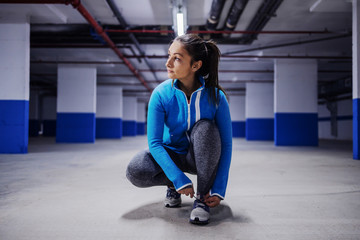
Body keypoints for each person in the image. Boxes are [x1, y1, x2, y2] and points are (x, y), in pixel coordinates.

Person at [126, 34, 232, 225]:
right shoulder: (160, 94)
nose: (168, 63)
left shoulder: (216, 97)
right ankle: (173, 187)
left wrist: (219, 188)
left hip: (200, 158)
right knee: (135, 170)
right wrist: (177, 178)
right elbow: (155, 143)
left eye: (176, 58)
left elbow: (226, 144)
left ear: (195, 66)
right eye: (169, 55)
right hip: (172, 154)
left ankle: (202, 198)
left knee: (206, 128)